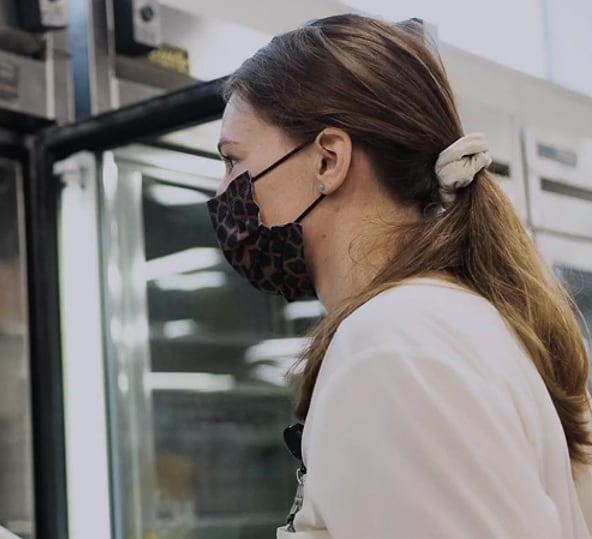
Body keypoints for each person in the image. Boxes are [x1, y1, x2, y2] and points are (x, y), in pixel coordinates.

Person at [207, 13, 592, 539]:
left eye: (233, 161)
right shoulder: (450, 319)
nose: (223, 189)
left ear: (327, 161)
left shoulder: (389, 347)